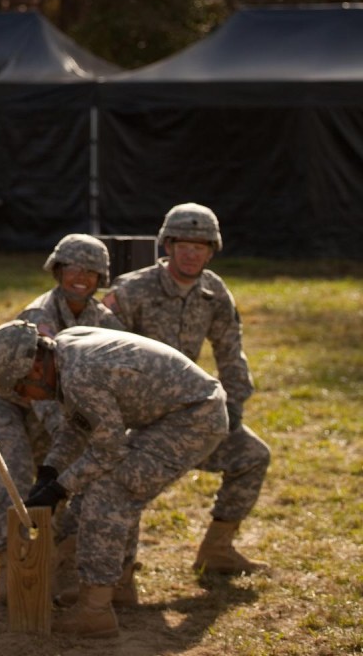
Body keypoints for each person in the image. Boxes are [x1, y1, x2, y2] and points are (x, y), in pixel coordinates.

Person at [0, 320, 229, 638]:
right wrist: (50, 471)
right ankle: (119, 586)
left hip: (195, 417)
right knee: (96, 488)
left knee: (109, 493)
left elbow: (108, 451)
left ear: (35, 371)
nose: (27, 399)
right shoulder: (66, 350)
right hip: (173, 414)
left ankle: (95, 611)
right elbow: (80, 424)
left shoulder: (79, 376)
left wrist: (59, 489)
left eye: (20, 389)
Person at [102, 201, 270, 575]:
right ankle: (114, 571)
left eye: (201, 247)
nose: (192, 254)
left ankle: (217, 550)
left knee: (252, 456)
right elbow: (103, 358)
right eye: (184, 246)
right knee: (124, 485)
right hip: (138, 419)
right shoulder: (132, 291)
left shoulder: (213, 292)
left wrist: (234, 409)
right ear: (167, 246)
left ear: (212, 251)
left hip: (191, 416)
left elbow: (231, 353)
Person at [0, 234, 124, 605]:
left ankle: (57, 565)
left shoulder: (108, 322)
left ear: (102, 278)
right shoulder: (39, 318)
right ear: (58, 270)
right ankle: (11, 566)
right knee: (14, 472)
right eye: (73, 268)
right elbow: (46, 397)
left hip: (50, 409)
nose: (81, 277)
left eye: (91, 271)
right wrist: (77, 443)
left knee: (62, 481)